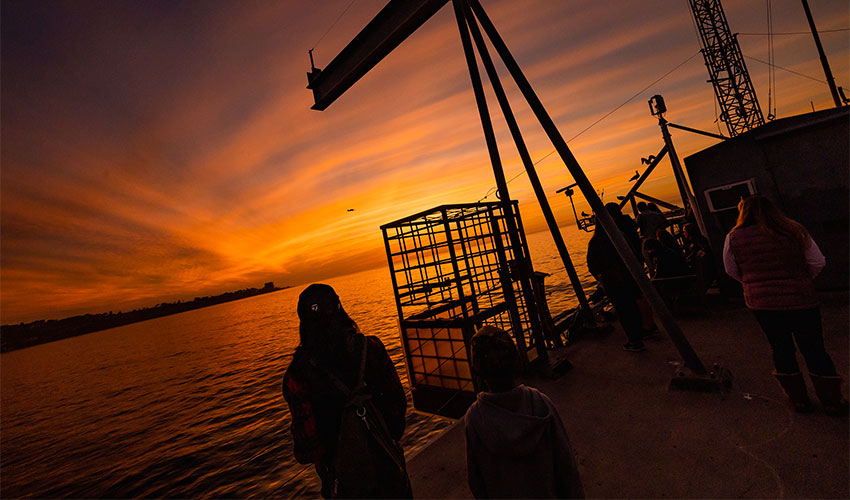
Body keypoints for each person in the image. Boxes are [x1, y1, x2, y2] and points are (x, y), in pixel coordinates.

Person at [282, 284, 411, 497]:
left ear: (304, 324)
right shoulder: (371, 347)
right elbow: (397, 404)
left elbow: (307, 448)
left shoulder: (297, 375)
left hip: (344, 484)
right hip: (389, 469)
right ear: (340, 309)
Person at [723, 196, 848, 416]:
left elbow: (730, 269)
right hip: (802, 299)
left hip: (763, 304)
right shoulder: (794, 230)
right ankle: (831, 400)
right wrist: (802, 279)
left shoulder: (734, 237)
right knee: (814, 349)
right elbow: (818, 262)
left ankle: (799, 400)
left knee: (781, 349)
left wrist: (752, 283)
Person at [464, 325, 584, 499]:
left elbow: (476, 482)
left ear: (476, 371)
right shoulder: (540, 403)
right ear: (517, 359)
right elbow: (566, 466)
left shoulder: (474, 419)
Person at [587, 210, 646, 352]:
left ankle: (634, 340)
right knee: (632, 307)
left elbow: (592, 265)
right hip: (628, 278)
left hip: (613, 283)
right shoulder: (620, 236)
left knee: (624, 310)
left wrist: (600, 276)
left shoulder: (596, 242)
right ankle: (638, 337)